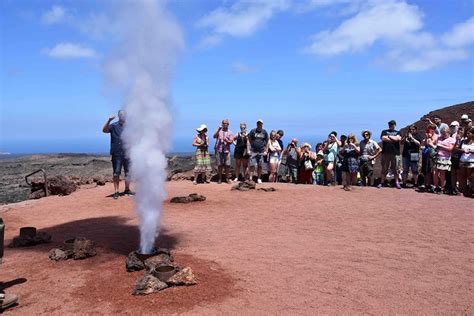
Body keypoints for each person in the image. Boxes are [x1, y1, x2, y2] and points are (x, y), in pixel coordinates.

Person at [102, 110, 133, 199]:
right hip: (117, 153)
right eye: (121, 115)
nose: (123, 116)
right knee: (116, 173)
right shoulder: (114, 126)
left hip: (127, 153)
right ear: (119, 116)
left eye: (124, 115)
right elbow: (104, 130)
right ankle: (116, 191)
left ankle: (127, 189)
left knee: (128, 172)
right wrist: (109, 120)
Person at [378, 120, 402, 189]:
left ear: (395, 125)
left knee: (396, 169)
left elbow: (398, 139)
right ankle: (382, 182)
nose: (391, 125)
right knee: (384, 168)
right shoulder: (384, 131)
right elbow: (383, 138)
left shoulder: (398, 132)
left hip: (395, 153)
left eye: (392, 124)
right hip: (385, 153)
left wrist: (389, 137)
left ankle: (397, 182)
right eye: (390, 124)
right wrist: (393, 139)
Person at [432, 126, 455, 194]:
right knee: (434, 173)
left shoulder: (451, 139)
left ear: (448, 133)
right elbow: (435, 145)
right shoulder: (439, 138)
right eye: (442, 133)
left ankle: (442, 188)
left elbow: (450, 148)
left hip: (445, 158)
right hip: (437, 157)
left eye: (444, 133)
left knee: (442, 174)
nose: (443, 135)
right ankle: (436, 187)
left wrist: (441, 146)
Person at [247, 119, 269, 184]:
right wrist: (248, 149)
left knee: (260, 165)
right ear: (256, 124)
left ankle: (259, 178)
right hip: (253, 151)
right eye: (258, 123)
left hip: (261, 151)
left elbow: (267, 141)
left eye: (260, 123)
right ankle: (250, 178)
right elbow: (248, 140)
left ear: (262, 124)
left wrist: (266, 150)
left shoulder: (264, 132)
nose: (259, 124)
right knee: (252, 165)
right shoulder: (253, 131)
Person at [213, 119, 234, 184]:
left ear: (228, 124)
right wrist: (218, 129)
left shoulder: (230, 132)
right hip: (219, 149)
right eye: (224, 123)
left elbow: (231, 141)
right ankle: (220, 178)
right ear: (222, 124)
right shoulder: (219, 131)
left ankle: (227, 178)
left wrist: (227, 141)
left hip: (226, 150)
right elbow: (214, 136)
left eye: (226, 123)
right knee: (219, 165)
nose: (225, 124)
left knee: (227, 165)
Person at [419, 125, 438, 192]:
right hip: (425, 155)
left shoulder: (436, 136)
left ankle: (432, 184)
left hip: (432, 156)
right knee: (425, 170)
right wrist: (426, 138)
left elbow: (433, 145)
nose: (430, 131)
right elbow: (423, 144)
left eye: (432, 129)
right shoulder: (427, 137)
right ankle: (427, 183)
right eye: (429, 129)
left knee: (431, 170)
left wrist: (429, 140)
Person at [458, 127, 474, 197]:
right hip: (463, 160)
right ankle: (465, 190)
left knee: (470, 176)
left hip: (471, 161)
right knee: (463, 176)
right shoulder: (463, 141)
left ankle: (471, 189)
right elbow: (457, 148)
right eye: (466, 133)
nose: (467, 134)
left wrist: (471, 151)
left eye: (469, 133)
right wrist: (461, 150)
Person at [450, 126, 464, 195]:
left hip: (461, 158)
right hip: (454, 157)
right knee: (453, 173)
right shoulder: (454, 139)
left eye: (461, 131)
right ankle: (453, 187)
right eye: (458, 131)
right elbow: (452, 148)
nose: (459, 132)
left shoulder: (465, 140)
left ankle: (460, 188)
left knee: (459, 173)